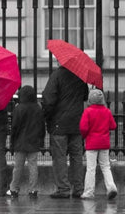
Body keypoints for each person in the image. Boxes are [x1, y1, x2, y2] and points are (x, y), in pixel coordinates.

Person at [42, 66, 89, 199]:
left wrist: (47, 115)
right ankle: (78, 188)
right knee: (77, 156)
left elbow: (48, 98)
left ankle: (63, 188)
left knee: (60, 157)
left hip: (59, 123)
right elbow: (85, 95)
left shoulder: (57, 75)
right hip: (76, 122)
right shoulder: (80, 75)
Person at [7, 85, 45, 198]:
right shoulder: (38, 108)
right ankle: (33, 190)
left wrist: (12, 143)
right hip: (33, 141)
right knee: (33, 166)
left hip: (20, 142)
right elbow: (42, 126)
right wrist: (41, 140)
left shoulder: (19, 108)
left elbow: (14, 128)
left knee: (18, 167)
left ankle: (14, 188)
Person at [79, 89, 118, 200]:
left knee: (91, 168)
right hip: (104, 143)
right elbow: (113, 126)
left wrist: (85, 135)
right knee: (106, 167)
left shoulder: (88, 111)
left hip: (91, 143)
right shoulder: (106, 111)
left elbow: (83, 128)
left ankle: (89, 192)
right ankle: (111, 187)